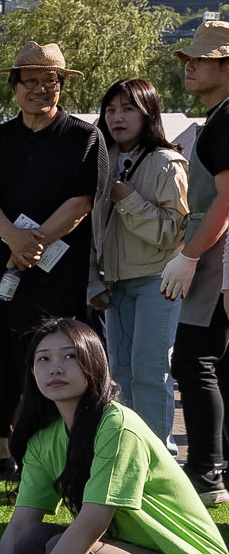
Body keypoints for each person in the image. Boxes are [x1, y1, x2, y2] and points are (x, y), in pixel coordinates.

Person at [0, 319, 229, 554]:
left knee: (71, 552)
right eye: (43, 359)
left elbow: (91, 525)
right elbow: (20, 526)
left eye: (70, 356)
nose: (56, 368)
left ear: (94, 363)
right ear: (32, 371)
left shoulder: (117, 427)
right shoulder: (43, 440)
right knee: (32, 540)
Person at [0, 43, 97, 475]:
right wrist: (10, 237)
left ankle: (54, 452)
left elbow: (81, 202)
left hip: (57, 272)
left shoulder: (83, 136)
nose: (41, 89)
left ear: (62, 87)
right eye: (31, 81)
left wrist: (32, 243)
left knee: (55, 356)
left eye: (51, 81)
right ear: (14, 87)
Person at [87, 78, 189, 441]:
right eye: (110, 109)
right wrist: (94, 281)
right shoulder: (102, 161)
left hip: (157, 280)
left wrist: (129, 200)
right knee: (120, 375)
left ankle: (160, 454)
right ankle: (130, 450)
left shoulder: (168, 162)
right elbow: (91, 228)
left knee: (150, 369)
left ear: (149, 113)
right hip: (114, 282)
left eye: (128, 108)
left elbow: (173, 233)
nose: (117, 117)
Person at [165, 21, 229, 504]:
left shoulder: (225, 119)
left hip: (215, 257)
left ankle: (206, 472)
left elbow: (226, 201)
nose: (190, 67)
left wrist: (188, 256)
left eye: (201, 59)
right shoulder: (217, 117)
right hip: (212, 254)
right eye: (189, 59)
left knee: (194, 360)